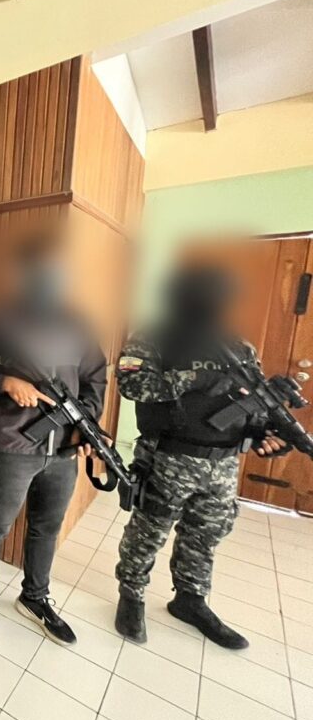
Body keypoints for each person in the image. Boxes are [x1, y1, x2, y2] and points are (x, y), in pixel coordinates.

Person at [114, 265, 284, 649]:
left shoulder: (239, 347)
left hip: (223, 462)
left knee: (206, 533)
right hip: (169, 456)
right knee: (150, 528)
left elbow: (253, 401)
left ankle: (190, 599)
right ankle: (131, 593)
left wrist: (263, 432)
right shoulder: (153, 336)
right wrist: (194, 380)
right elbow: (131, 384)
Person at [0, 239, 107, 647]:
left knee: (46, 527)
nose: (50, 278)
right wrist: (3, 381)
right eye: (42, 270)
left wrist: (87, 423)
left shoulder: (77, 323)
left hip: (65, 447)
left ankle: (35, 597)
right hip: (12, 445)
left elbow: (96, 377)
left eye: (58, 270)